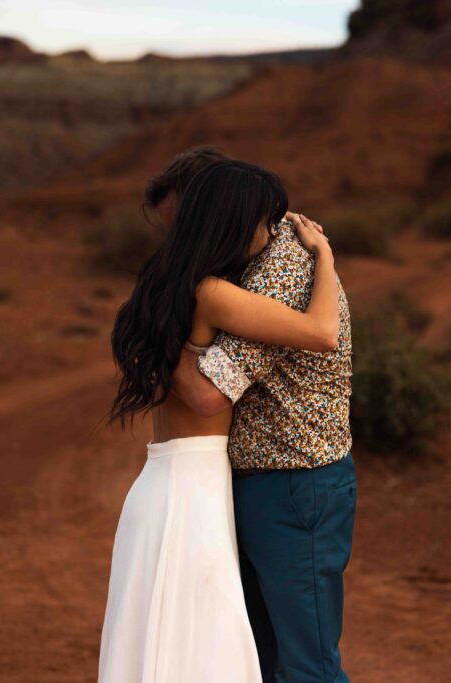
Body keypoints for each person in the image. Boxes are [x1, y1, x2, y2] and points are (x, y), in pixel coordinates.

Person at [98, 153, 338, 683]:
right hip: (195, 485)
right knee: (208, 640)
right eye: (257, 221)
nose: (265, 233)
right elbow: (322, 333)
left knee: (161, 636)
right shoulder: (213, 291)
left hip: (161, 480)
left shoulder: (163, 284)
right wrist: (324, 257)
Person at [172, 171, 355, 680]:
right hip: (278, 482)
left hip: (295, 485)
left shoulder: (279, 275)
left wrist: (168, 349)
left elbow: (208, 393)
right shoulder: (258, 269)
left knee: (306, 664)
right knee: (264, 658)